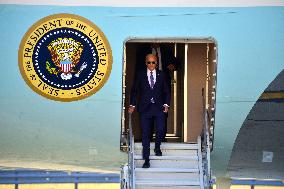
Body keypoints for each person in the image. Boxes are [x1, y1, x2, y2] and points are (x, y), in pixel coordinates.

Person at [128, 54, 171, 168]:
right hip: (145, 108)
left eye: (153, 62)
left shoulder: (162, 75)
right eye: (149, 62)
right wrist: (132, 104)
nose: (151, 65)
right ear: (145, 63)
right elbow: (135, 91)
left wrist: (166, 104)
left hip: (159, 108)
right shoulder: (140, 74)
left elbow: (166, 91)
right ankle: (146, 159)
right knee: (146, 134)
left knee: (160, 129)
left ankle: (157, 147)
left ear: (156, 63)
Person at [136, 43, 179, 141]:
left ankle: (161, 138)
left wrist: (173, 66)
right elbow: (138, 68)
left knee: (164, 110)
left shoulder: (166, 49)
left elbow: (177, 63)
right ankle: (148, 138)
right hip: (147, 85)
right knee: (147, 111)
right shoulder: (143, 50)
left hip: (163, 84)